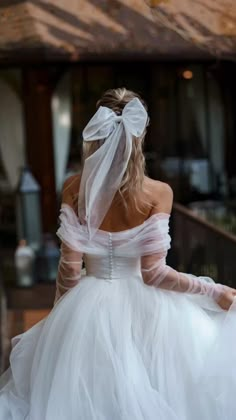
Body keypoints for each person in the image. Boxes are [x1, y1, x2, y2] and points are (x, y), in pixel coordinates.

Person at [0, 88, 236, 420]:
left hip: (87, 305)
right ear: (140, 135)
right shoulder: (158, 192)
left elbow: (69, 269)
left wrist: (60, 318)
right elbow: (154, 274)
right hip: (149, 309)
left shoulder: (73, 187)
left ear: (96, 134)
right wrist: (213, 290)